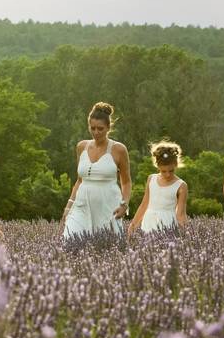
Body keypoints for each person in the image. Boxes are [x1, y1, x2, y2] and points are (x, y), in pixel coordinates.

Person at [61, 102, 132, 238]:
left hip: (107, 204)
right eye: (92, 128)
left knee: (107, 247)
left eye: (100, 128)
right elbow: (79, 181)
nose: (96, 132)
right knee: (70, 241)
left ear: (108, 127)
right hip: (82, 204)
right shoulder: (81, 146)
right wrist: (68, 206)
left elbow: (126, 182)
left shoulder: (119, 149)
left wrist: (124, 205)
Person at [128, 140, 188, 235]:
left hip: (168, 225)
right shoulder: (151, 179)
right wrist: (133, 225)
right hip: (149, 222)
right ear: (157, 166)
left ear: (176, 164)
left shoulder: (181, 185)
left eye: (171, 171)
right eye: (164, 171)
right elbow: (144, 204)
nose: (168, 174)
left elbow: (180, 214)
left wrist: (185, 234)